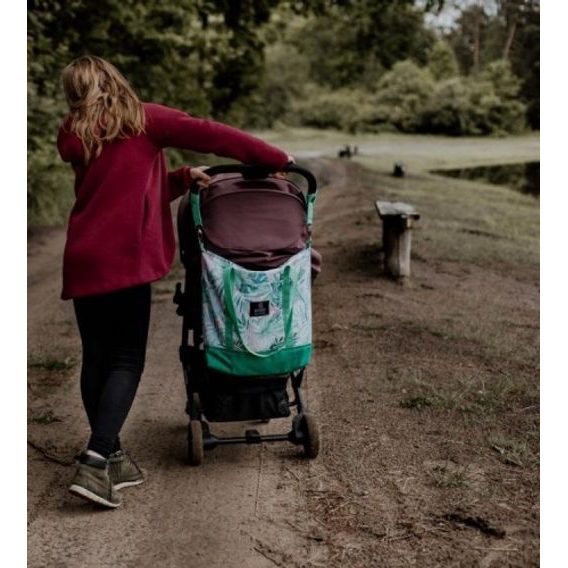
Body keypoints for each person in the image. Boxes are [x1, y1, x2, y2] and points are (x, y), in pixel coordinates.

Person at [57, 55, 292, 508]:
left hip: (85, 256)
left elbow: (116, 191)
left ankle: (113, 455)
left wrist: (181, 179)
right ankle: (96, 459)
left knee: (98, 359)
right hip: (123, 259)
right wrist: (275, 158)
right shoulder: (142, 118)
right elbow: (215, 134)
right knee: (126, 360)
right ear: (113, 81)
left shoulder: (75, 132)